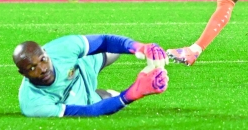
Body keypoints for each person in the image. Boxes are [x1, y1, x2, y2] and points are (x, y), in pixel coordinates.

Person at [14, 35, 169, 117]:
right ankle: (103, 94)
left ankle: (163, 54)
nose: (42, 69)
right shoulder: (33, 104)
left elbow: (105, 40)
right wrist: (132, 94)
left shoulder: (62, 47)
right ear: (23, 73)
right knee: (112, 97)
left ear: (46, 53)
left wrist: (140, 47)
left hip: (84, 66)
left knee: (115, 50)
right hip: (79, 100)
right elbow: (90, 112)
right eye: (32, 68)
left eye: (43, 60)